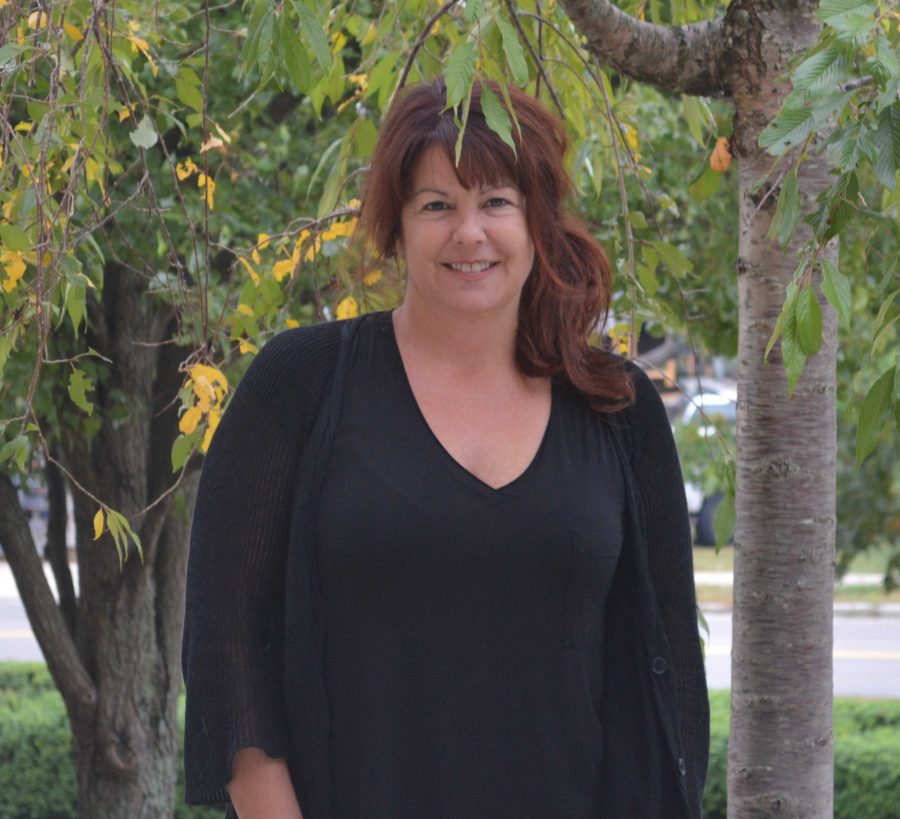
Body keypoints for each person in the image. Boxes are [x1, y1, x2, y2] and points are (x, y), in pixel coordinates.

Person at [182, 77, 709, 819]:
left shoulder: (617, 408)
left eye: (497, 201)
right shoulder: (299, 386)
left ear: (538, 224)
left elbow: (670, 683)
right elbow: (225, 644)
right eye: (437, 205)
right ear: (395, 228)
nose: (470, 233)